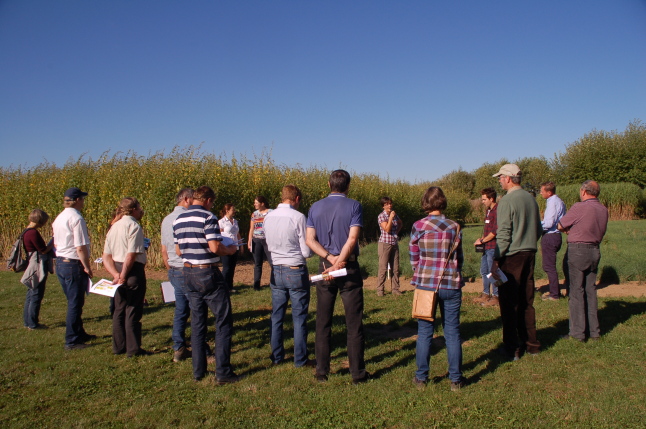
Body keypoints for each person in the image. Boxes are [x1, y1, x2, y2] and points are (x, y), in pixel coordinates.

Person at [306, 169, 369, 384]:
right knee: (354, 323)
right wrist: (339, 261)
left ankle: (321, 371)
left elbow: (310, 239)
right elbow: (352, 239)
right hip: (348, 267)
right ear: (348, 186)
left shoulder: (315, 207)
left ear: (328, 184)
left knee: (323, 321)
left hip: (325, 268)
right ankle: (357, 373)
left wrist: (329, 260)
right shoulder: (354, 206)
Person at [173, 186, 240, 384]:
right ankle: (223, 371)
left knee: (197, 322)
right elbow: (214, 246)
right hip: (207, 272)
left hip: (188, 271)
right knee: (223, 321)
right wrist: (230, 249)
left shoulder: (179, 219)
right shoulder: (208, 217)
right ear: (208, 200)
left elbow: (178, 251)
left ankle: (198, 370)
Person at [410, 187, 465, 391]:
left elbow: (413, 255)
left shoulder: (418, 225)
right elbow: (459, 257)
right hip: (450, 283)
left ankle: (421, 377)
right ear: (443, 202)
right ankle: (456, 379)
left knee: (424, 332)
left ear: (426, 202)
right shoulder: (454, 226)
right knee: (452, 332)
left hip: (426, 284)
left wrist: (420, 270)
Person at [490, 164, 543, 360]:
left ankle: (512, 348)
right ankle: (532, 344)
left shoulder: (506, 201)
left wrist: (496, 258)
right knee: (527, 301)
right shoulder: (531, 199)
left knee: (509, 303)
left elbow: (503, 234)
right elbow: (539, 229)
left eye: (501, 177)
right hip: (529, 254)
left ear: (509, 178)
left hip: (511, 257)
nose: (499, 180)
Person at [264, 185, 314, 368]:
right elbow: (306, 250)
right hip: (295, 269)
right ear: (297, 199)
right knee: (299, 316)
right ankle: (300, 358)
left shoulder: (268, 217)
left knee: (277, 315)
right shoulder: (298, 217)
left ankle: (276, 355)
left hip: (276, 268)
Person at [557, 180, 608, 342]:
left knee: (576, 291)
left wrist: (569, 230)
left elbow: (560, 225)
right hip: (594, 250)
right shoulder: (603, 209)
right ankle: (594, 332)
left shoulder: (580, 207)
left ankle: (578, 333)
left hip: (578, 251)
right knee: (590, 291)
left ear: (584, 192)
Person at [102, 198, 149, 357]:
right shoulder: (134, 226)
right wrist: (122, 275)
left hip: (116, 267)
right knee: (133, 309)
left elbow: (106, 256)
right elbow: (131, 254)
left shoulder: (113, 227)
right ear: (134, 209)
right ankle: (133, 348)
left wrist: (115, 274)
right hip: (132, 270)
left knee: (119, 309)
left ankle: (118, 346)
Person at [52, 187, 95, 350]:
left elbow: (56, 243)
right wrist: (87, 266)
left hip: (61, 262)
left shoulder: (59, 218)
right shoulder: (77, 218)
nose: (83, 202)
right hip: (73, 263)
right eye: (82, 199)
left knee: (73, 300)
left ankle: (79, 332)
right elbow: (80, 246)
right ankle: (71, 340)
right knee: (75, 303)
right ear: (77, 200)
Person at [161, 188, 194, 362]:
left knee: (181, 309)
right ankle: (200, 347)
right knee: (196, 309)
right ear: (187, 200)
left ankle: (179, 346)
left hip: (173, 268)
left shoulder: (166, 219)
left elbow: (164, 248)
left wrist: (169, 265)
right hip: (185, 268)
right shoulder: (185, 218)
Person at [21, 209, 54, 330]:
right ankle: (33, 323)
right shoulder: (33, 233)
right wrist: (53, 242)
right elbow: (43, 250)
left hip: (31, 262)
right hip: (37, 263)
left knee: (30, 293)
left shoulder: (25, 231)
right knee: (36, 293)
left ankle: (27, 321)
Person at [539, 181, 567, 301]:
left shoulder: (552, 203)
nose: (540, 193)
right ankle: (554, 291)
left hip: (550, 236)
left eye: (542, 191)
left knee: (549, 266)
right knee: (549, 266)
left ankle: (554, 294)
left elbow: (549, 223)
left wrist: (536, 225)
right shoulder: (559, 201)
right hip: (556, 236)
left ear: (549, 192)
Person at [473, 188, 499, 307]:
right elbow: (487, 230)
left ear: (491, 198)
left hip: (493, 247)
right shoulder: (488, 211)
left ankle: (497, 296)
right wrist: (481, 240)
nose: (482, 201)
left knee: (493, 272)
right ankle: (485, 293)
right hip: (486, 246)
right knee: (484, 271)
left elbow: (495, 232)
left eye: (484, 199)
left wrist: (482, 240)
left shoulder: (497, 211)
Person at [376, 196, 403, 296]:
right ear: (383, 206)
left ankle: (395, 289)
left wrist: (397, 231)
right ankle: (380, 290)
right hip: (384, 244)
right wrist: (391, 217)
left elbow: (400, 223)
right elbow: (387, 229)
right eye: (387, 204)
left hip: (394, 243)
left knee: (395, 268)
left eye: (390, 203)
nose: (389, 205)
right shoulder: (381, 216)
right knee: (383, 267)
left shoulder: (395, 215)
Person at [248, 195, 273, 291]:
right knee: (257, 263)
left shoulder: (271, 212)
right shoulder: (254, 214)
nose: (254, 204)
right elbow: (252, 228)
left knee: (272, 262)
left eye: (256, 203)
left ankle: (273, 283)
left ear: (262, 204)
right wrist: (250, 241)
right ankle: (256, 284)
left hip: (268, 240)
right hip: (256, 240)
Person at [218, 203, 243, 293]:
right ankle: (223, 287)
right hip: (226, 247)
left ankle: (230, 286)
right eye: (232, 209)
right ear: (227, 211)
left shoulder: (235, 221)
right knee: (226, 268)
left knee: (232, 267)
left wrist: (241, 245)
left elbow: (237, 234)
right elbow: (219, 235)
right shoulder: (221, 222)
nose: (234, 211)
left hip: (235, 247)